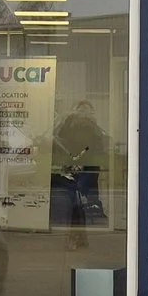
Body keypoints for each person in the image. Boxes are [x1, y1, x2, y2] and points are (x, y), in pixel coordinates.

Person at [50, 100, 108, 249]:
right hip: (70, 168)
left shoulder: (94, 127)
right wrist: (68, 161)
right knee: (75, 201)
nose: (83, 112)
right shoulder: (67, 125)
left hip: (88, 168)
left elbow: (99, 148)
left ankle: (76, 236)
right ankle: (78, 236)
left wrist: (87, 162)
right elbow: (58, 143)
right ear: (74, 111)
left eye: (87, 109)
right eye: (81, 109)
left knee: (78, 200)